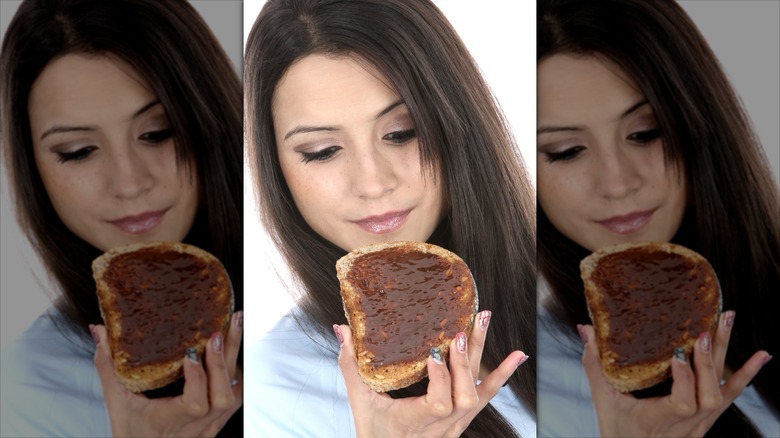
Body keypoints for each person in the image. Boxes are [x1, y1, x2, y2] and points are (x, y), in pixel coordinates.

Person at [244, 0, 537, 436]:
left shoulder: (571, 310)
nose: (373, 182)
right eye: (322, 151)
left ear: (459, 123)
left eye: (401, 133)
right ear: (276, 168)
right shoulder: (273, 391)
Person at [535, 0, 779, 436]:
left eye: (645, 133)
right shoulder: (521, 380)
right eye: (566, 151)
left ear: (699, 122)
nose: (617, 182)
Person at [0, 0, 244, 436]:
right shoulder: (25, 392)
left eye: (156, 133)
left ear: (208, 118)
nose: (129, 183)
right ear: (33, 166)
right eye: (78, 151)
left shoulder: (320, 331)